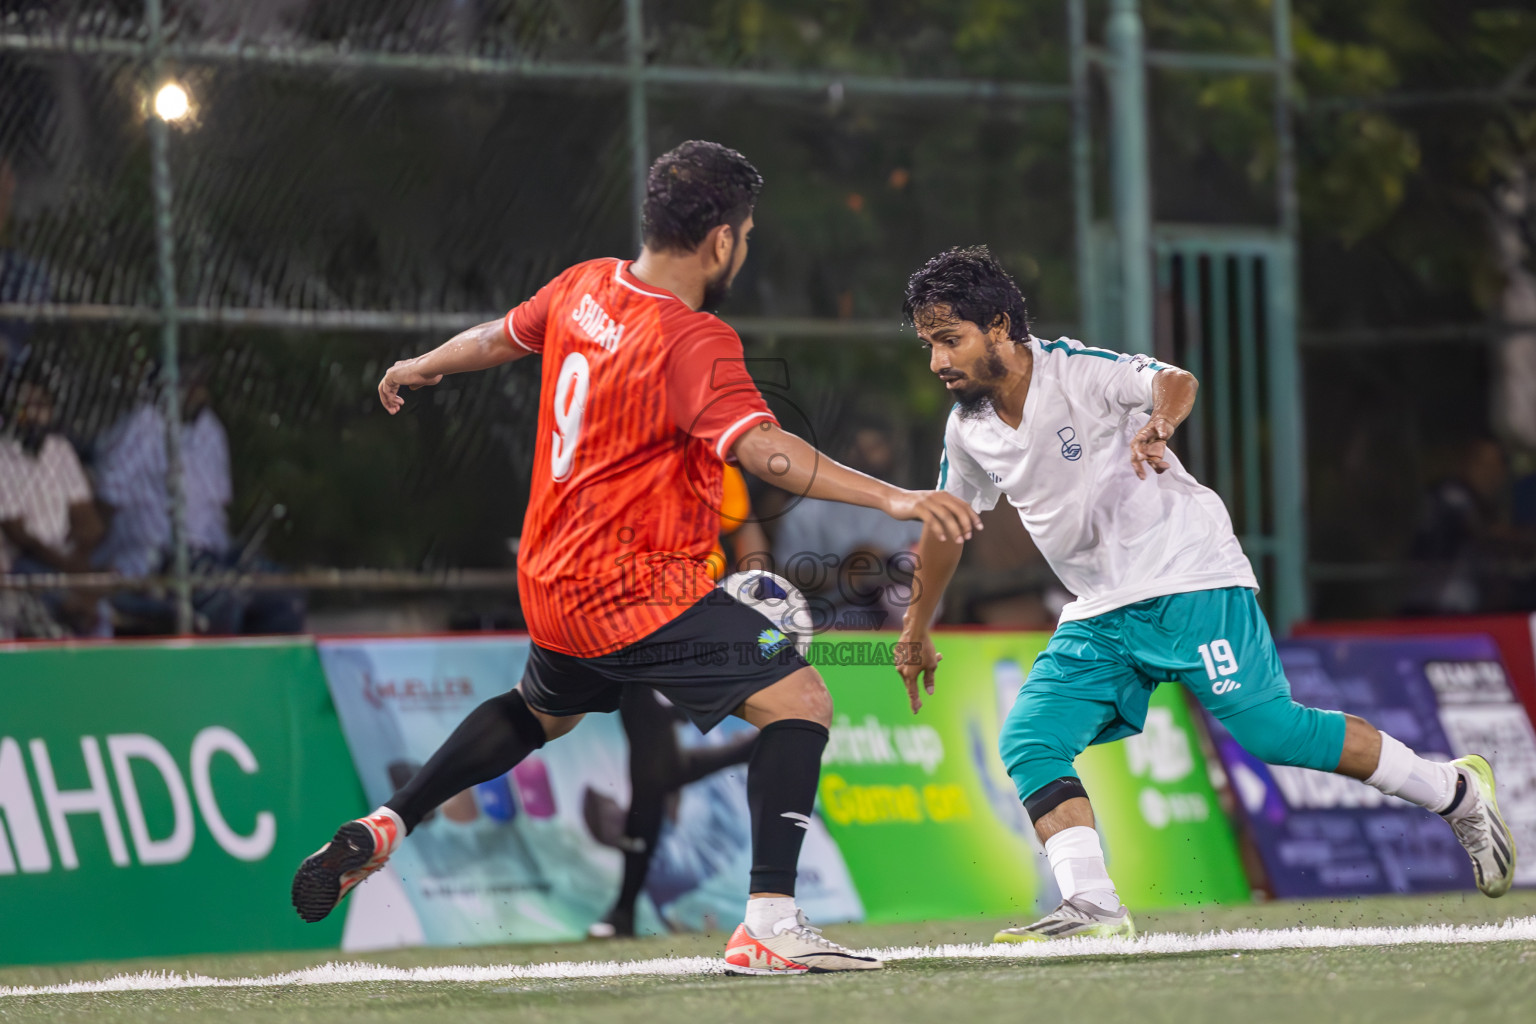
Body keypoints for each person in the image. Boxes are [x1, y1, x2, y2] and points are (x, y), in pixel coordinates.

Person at [290, 141, 981, 974]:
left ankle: (387, 824)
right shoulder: (694, 339)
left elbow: (500, 336)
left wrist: (420, 363)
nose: (745, 250)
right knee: (800, 699)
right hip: (639, 591)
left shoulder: (583, 286)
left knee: (543, 710)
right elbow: (765, 451)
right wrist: (895, 498)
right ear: (721, 241)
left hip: (552, 583)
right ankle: (770, 920)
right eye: (747, 235)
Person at [893, 245, 1516, 942]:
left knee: (1271, 731)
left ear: (1000, 325)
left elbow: (1174, 381)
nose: (938, 363)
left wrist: (1159, 425)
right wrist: (918, 625)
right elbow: (946, 526)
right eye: (929, 345)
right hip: (1101, 611)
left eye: (950, 341)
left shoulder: (1079, 372)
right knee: (1031, 738)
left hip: (1189, 575)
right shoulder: (968, 429)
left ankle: (1454, 792)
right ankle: (1093, 906)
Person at [772, 425, 923, 630]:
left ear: (891, 451)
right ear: (838, 451)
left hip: (900, 633)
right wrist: (845, 571)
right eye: (855, 447)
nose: (865, 455)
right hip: (823, 631)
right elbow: (784, 576)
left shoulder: (911, 509)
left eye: (874, 447)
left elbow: (929, 574)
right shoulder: (805, 510)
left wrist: (885, 565)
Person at [0, 370, 107, 637]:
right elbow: (19, 535)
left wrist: (76, 560)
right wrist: (68, 568)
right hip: (21, 562)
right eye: (27, 406)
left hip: (64, 558)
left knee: (102, 596)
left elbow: (89, 522)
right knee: (64, 598)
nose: (35, 414)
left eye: (42, 405)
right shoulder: (3, 454)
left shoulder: (59, 449)